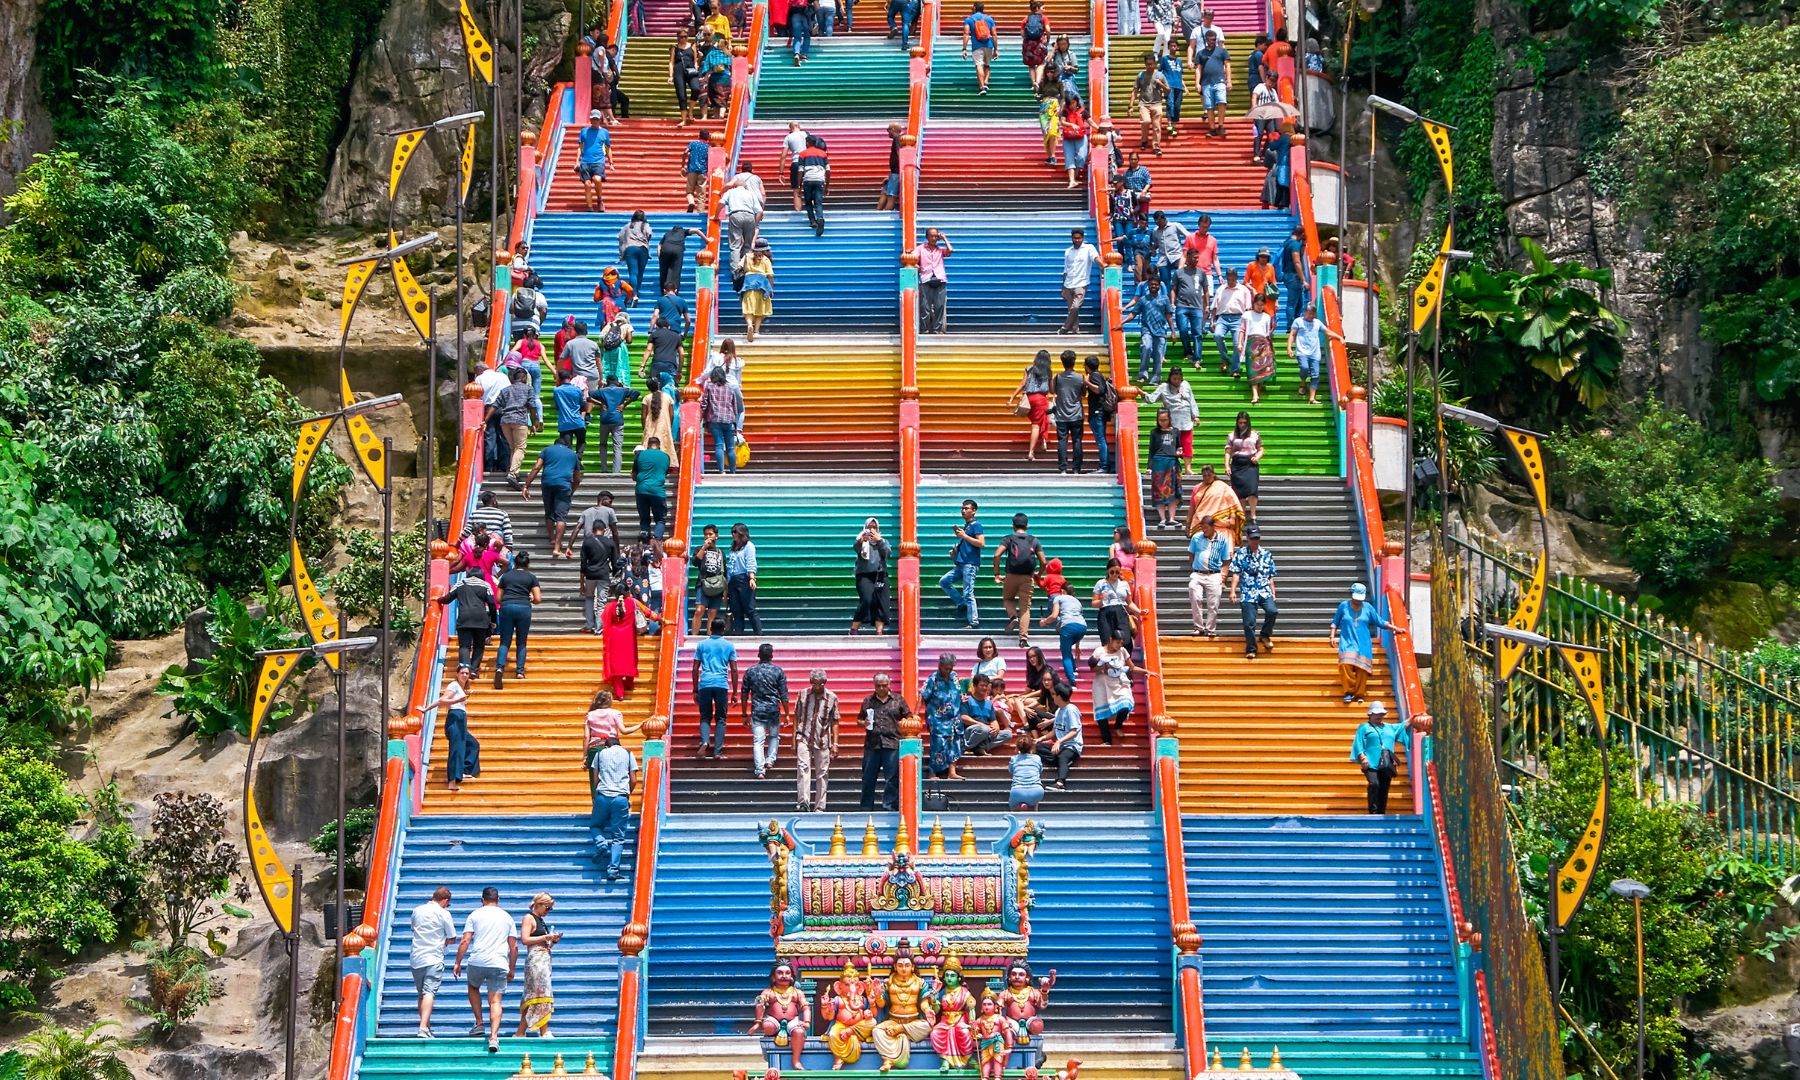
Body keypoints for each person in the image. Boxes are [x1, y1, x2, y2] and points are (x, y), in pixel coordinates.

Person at [453, 887, 517, 1053]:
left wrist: (457, 962)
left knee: (473, 987)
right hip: (499, 962)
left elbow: (465, 940)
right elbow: (514, 946)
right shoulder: (507, 917)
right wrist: (512, 968)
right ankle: (494, 1037)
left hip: (478, 960)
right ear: (498, 900)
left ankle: (479, 1023)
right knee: (496, 1001)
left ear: (482, 900)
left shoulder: (475, 915)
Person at [1332, 582, 1395, 704]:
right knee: (1345, 664)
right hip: (1347, 642)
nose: (1357, 601)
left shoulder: (1368, 607)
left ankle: (1360, 693)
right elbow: (1335, 622)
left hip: (1363, 644)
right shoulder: (1343, 606)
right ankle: (1348, 691)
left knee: (1362, 669)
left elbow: (1380, 621)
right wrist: (1332, 636)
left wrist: (1394, 628)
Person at [521, 436, 583, 557]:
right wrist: (571, 490)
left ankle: (552, 538)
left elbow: (537, 467)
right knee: (561, 517)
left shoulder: (546, 450)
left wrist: (526, 486)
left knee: (549, 512)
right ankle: (557, 548)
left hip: (547, 483)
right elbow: (577, 478)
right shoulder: (573, 455)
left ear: (554, 444)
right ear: (566, 445)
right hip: (564, 485)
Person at [858, 673, 910, 810]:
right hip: (872, 744)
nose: (881, 688)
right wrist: (864, 723)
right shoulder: (868, 701)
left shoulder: (898, 700)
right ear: (874, 686)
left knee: (891, 779)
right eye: (878, 686)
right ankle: (866, 807)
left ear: (889, 685)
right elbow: (859, 719)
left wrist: (903, 723)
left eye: (884, 685)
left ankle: (890, 806)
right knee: (868, 778)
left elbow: (908, 717)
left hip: (892, 743)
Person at [409, 886, 456, 1037]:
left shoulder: (417, 910)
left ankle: (426, 1027)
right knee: (429, 992)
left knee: (421, 994)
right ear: (445, 901)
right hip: (434, 957)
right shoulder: (444, 913)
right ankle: (423, 1027)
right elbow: (452, 937)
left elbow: (413, 928)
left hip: (416, 957)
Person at [993, 513, 1045, 646]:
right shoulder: (1034, 540)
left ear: (1013, 525)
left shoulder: (1008, 539)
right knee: (1025, 608)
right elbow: (1043, 561)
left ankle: (1013, 617)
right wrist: (1038, 574)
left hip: (1011, 575)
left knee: (1008, 599)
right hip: (1028, 577)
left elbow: (997, 555)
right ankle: (1023, 639)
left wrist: (997, 574)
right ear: (1027, 525)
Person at [591, 735, 639, 879]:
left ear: (606, 746)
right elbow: (634, 779)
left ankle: (601, 843)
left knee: (595, 826)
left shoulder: (600, 754)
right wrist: (626, 793)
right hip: (621, 798)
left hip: (603, 796)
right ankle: (613, 870)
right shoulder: (629, 753)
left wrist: (596, 795)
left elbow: (595, 778)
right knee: (618, 836)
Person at [424, 667, 479, 792]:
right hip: (454, 718)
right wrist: (457, 700)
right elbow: (443, 700)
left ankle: (463, 771)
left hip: (461, 720)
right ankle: (452, 781)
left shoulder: (461, 688)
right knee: (456, 750)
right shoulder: (454, 685)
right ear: (457, 674)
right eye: (462, 673)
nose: (464, 675)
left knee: (473, 744)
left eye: (467, 673)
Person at [492, 552, 542, 689]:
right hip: (523, 608)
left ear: (514, 563)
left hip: (507, 607)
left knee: (504, 641)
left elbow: (498, 598)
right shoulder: (531, 577)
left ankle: (499, 668)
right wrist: (529, 598)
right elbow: (538, 598)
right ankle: (520, 671)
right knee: (521, 642)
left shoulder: (506, 577)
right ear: (528, 564)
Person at [1227, 523, 1277, 659]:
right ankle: (1251, 649)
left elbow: (1270, 574)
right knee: (1249, 623)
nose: (1255, 541)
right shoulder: (1241, 554)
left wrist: (1273, 591)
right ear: (1247, 538)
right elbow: (1236, 574)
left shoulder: (1266, 554)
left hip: (1264, 590)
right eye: (1252, 538)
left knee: (1272, 611)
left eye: (1257, 538)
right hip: (1248, 592)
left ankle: (1265, 635)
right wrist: (1232, 591)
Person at [515, 894, 562, 1037]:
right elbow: (524, 939)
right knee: (538, 993)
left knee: (539, 993)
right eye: (547, 908)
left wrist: (552, 941)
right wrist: (545, 937)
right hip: (535, 961)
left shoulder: (541, 921)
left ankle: (521, 1032)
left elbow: (542, 942)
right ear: (539, 904)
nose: (548, 911)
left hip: (544, 959)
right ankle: (543, 1030)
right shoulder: (529, 918)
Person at [1088, 629, 1146, 744]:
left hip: (1119, 682)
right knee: (1101, 711)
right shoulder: (1099, 651)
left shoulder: (1123, 651)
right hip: (1102, 684)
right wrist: (1103, 666)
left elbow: (1132, 667)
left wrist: (1146, 671)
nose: (1119, 645)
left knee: (1126, 704)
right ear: (1111, 640)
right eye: (1117, 642)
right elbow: (1093, 668)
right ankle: (1106, 740)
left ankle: (1118, 726)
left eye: (1121, 643)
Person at [741, 642, 791, 779]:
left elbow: (744, 694)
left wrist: (744, 714)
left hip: (757, 710)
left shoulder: (751, 671)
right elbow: (784, 695)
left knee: (758, 741)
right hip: (774, 709)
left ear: (758, 655)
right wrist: (787, 714)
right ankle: (770, 760)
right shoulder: (778, 671)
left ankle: (759, 769)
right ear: (771, 656)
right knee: (774, 736)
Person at [794, 669, 840, 811]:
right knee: (803, 768)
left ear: (825, 683)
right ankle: (803, 802)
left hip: (823, 739)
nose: (817, 687)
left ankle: (820, 806)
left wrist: (836, 743)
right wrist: (793, 739)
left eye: (820, 684)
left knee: (822, 773)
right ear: (811, 682)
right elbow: (796, 716)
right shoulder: (803, 695)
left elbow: (835, 721)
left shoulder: (832, 698)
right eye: (815, 684)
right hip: (803, 736)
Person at [692, 618, 738, 757]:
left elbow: (695, 668)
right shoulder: (729, 646)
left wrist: (695, 689)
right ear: (723, 629)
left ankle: (705, 741)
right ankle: (717, 751)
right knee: (721, 718)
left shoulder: (701, 645)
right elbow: (734, 670)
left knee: (705, 716)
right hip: (721, 684)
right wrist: (735, 692)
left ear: (710, 628)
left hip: (705, 684)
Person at [1350, 700, 1406, 813]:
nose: (1379, 716)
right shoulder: (1364, 727)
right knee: (1374, 784)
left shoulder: (1389, 727)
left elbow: (1403, 726)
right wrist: (1362, 757)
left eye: (1381, 714)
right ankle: (1373, 811)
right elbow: (1358, 742)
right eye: (1376, 714)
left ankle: (1381, 812)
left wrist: (1413, 719)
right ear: (1370, 715)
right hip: (1370, 762)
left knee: (1384, 787)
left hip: (1386, 763)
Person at [939, 498, 985, 629]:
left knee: (968, 593)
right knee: (944, 581)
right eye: (962, 508)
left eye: (966, 508)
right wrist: (955, 554)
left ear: (974, 511)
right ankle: (961, 603)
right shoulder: (967, 526)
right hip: (961, 564)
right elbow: (968, 547)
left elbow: (981, 543)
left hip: (970, 564)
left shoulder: (976, 525)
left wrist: (964, 536)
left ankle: (973, 622)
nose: (963, 511)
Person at [438, 572, 496, 676]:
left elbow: (447, 599)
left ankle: (465, 668)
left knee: (464, 646)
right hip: (481, 619)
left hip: (464, 619)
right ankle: (473, 669)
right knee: (479, 646)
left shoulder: (461, 583)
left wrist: (437, 599)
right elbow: (492, 604)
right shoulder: (485, 585)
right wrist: (493, 621)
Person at [1143, 366, 1198, 473]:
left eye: (1179, 379)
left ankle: (1188, 469)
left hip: (1186, 421)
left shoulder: (1186, 385)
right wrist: (1142, 394)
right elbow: (1152, 399)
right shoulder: (1163, 387)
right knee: (1172, 446)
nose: (1177, 381)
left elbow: (1192, 401)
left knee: (1187, 445)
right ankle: (1172, 468)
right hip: (1172, 423)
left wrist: (1195, 416)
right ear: (1170, 378)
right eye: (1174, 379)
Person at [920, 652, 965, 780]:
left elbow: (957, 693)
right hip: (937, 719)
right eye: (946, 668)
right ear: (940, 665)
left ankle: (952, 771)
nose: (949, 670)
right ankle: (933, 772)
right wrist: (915, 714)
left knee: (955, 744)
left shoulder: (954, 676)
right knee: (938, 745)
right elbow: (923, 696)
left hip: (955, 717)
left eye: (951, 668)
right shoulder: (932, 679)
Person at [1187, 513, 1232, 636]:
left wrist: (1223, 577)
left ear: (1213, 527)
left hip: (1214, 574)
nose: (1204, 530)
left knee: (1213, 603)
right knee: (1195, 597)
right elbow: (1191, 553)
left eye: (1206, 528)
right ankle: (1198, 627)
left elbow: (1226, 560)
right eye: (1202, 528)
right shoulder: (1196, 538)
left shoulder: (1222, 540)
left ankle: (1210, 629)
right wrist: (1194, 566)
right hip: (1198, 573)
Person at [1007, 350, 1054, 463]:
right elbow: (1051, 389)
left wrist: (1011, 398)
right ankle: (1031, 452)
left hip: (1029, 399)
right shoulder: (1048, 371)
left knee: (1041, 419)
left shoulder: (1029, 369)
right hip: (1041, 399)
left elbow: (1022, 384)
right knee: (1037, 425)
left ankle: (1043, 442)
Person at [1123, 274, 1171, 384]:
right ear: (1148, 286)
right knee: (1146, 347)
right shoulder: (1143, 300)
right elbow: (1133, 314)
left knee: (1159, 354)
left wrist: (1172, 331)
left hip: (1160, 331)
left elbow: (1169, 315)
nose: (1153, 286)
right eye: (1151, 284)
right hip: (1146, 330)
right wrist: (1122, 322)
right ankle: (1143, 374)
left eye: (1156, 284)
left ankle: (1155, 378)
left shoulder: (1165, 299)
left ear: (1159, 286)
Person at [1038, 577, 1087, 684]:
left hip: (1068, 626)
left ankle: (1072, 681)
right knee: (1066, 647)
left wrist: (1044, 622)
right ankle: (1074, 669)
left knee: (1065, 654)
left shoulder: (1059, 598)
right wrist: (1077, 647)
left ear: (1062, 591)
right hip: (1082, 627)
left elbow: (1054, 615)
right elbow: (1078, 619)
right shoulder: (1077, 601)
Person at [588, 376, 641, 475]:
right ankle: (616, 472)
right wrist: (624, 404)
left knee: (603, 445)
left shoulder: (602, 391)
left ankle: (604, 469)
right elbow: (636, 393)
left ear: (607, 382)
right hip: (617, 420)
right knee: (617, 447)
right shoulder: (622, 390)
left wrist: (600, 403)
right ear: (617, 382)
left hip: (605, 419)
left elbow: (589, 395)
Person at [1288, 301, 1338, 405]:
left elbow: (1327, 332)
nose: (1311, 315)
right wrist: (1289, 348)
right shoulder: (1298, 321)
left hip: (1315, 353)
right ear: (1305, 312)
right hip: (1302, 351)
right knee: (1304, 368)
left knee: (1315, 375)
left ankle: (1312, 398)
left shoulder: (1317, 323)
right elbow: (1292, 335)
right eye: (1309, 313)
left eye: (1313, 313)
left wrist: (1339, 337)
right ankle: (1302, 383)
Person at [851, 517, 893, 635]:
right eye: (869, 527)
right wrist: (861, 540)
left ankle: (879, 632)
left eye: (874, 527)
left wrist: (879, 541)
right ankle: (854, 629)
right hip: (864, 576)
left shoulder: (883, 541)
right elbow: (856, 548)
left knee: (882, 603)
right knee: (866, 600)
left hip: (880, 576)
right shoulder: (860, 540)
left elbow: (887, 554)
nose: (872, 530)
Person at [1092, 557, 1142, 655]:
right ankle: (1110, 666)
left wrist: (1139, 611)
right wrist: (1101, 600)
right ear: (1108, 571)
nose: (1115, 574)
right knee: (1107, 642)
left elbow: (1129, 603)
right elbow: (1093, 603)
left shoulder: (1124, 584)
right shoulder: (1101, 583)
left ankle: (1125, 664)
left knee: (1126, 641)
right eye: (1112, 572)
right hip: (1105, 613)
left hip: (1121, 612)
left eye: (1117, 572)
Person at [1167, 248, 1208, 365]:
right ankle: (1188, 352)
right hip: (1182, 306)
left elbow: (1205, 290)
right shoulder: (1179, 273)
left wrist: (1207, 306)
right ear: (1188, 258)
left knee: (1197, 332)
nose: (1197, 260)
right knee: (1183, 329)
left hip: (1197, 307)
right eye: (1194, 258)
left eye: (1197, 258)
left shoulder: (1201, 273)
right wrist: (1172, 302)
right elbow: (1173, 289)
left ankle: (1197, 358)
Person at [1038, 680, 1082, 789]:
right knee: (1037, 747)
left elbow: (1074, 731)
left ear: (1060, 696)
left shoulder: (1071, 710)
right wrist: (1040, 739)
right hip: (1060, 746)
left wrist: (1059, 741)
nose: (1053, 697)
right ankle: (1061, 763)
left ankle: (1060, 783)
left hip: (1072, 746)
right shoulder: (1058, 711)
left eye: (1054, 694)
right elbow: (1054, 731)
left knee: (1063, 756)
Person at [1211, 266, 1253, 377]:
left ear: (1236, 277)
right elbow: (1215, 306)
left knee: (1237, 344)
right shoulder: (1221, 289)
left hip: (1239, 318)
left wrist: (1247, 324)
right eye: (1228, 279)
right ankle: (1225, 358)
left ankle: (1235, 370)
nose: (1230, 281)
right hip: (1223, 317)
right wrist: (1211, 321)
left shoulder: (1244, 290)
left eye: (1232, 279)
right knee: (1218, 335)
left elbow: (1248, 308)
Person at [1187, 462, 1244, 543]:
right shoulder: (1197, 488)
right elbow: (1192, 507)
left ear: (1213, 474)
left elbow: (1233, 504)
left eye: (1209, 475)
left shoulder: (1223, 487)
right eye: (1204, 476)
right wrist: (1188, 523)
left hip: (1221, 524)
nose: (1207, 477)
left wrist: (1232, 518)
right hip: (1201, 524)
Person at [701, 367, 743, 475]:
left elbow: (705, 403)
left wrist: (701, 416)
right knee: (730, 447)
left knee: (719, 445)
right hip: (729, 420)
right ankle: (733, 471)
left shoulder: (710, 387)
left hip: (714, 419)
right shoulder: (730, 387)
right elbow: (734, 406)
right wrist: (735, 422)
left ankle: (721, 470)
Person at [959, 673, 1013, 756]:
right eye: (982, 685)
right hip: (971, 732)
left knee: (1008, 734)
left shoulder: (988, 704)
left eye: (986, 686)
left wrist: (996, 728)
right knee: (984, 729)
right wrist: (980, 724)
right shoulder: (967, 700)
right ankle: (965, 747)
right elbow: (963, 717)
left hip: (985, 731)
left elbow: (993, 720)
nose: (984, 688)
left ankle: (979, 747)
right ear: (974, 686)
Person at [1191, 27, 1231, 138]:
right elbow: (1198, 69)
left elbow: (1227, 66)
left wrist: (1229, 81)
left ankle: (1221, 125)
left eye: (1214, 39)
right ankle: (1212, 128)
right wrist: (1197, 83)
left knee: (1222, 102)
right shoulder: (1200, 53)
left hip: (1220, 81)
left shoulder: (1222, 51)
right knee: (1209, 107)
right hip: (1206, 83)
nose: (1212, 42)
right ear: (1206, 40)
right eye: (1210, 40)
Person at [1050, 351, 1086, 473]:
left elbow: (1052, 391)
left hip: (1061, 415)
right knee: (1077, 441)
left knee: (1062, 441)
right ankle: (1076, 468)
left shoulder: (1058, 377)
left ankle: (1063, 468)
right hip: (1076, 414)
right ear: (1074, 361)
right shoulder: (1080, 377)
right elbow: (1083, 393)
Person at [601, 587, 640, 699]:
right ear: (627, 593)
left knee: (616, 665)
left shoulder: (610, 606)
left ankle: (619, 694)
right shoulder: (633, 602)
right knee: (629, 662)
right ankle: (629, 684)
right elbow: (648, 612)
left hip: (614, 639)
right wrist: (661, 619)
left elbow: (603, 618)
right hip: (629, 638)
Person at [630, 437, 671, 541]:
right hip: (658, 491)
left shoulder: (640, 456)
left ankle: (644, 538)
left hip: (641, 490)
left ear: (647, 445)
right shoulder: (666, 457)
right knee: (660, 520)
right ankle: (656, 539)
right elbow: (665, 473)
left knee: (644, 518)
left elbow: (634, 476)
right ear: (659, 445)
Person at [1225, 411, 1264, 519]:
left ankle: (1253, 515)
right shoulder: (1232, 435)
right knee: (1240, 492)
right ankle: (1242, 515)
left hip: (1250, 464)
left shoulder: (1255, 434)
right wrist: (1227, 466)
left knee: (1252, 489)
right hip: (1237, 464)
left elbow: (1261, 449)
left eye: (1244, 423)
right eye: (1240, 423)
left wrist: (1257, 457)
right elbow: (1228, 452)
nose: (1242, 425)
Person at [1148, 410, 1183, 529]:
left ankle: (1172, 518)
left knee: (1173, 490)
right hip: (1158, 462)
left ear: (1170, 419)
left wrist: (1179, 451)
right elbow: (1151, 450)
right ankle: (1162, 518)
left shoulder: (1176, 431)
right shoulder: (1154, 433)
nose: (1162, 422)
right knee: (1159, 491)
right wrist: (1149, 467)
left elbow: (1179, 445)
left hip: (1172, 462)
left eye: (1165, 420)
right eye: (1160, 420)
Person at [914, 228, 953, 333]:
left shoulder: (940, 250)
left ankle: (938, 331)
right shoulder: (920, 249)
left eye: (936, 236)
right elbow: (910, 258)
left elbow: (950, 251)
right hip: (926, 280)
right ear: (927, 237)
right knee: (925, 308)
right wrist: (916, 265)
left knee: (939, 307)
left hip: (940, 280)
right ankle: (924, 330)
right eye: (931, 236)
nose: (934, 238)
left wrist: (944, 238)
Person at [692, 523, 728, 635]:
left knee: (712, 612)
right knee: (699, 610)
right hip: (703, 584)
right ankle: (694, 636)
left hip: (717, 585)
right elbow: (695, 562)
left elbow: (724, 572)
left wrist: (725, 591)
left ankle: (710, 636)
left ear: (716, 536)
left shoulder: (721, 552)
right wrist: (704, 548)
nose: (708, 536)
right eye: (705, 534)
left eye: (710, 534)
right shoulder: (699, 549)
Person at [1082, 354, 1116, 474]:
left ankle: (1104, 466)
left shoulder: (1094, 375)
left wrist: (1087, 382)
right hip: (1100, 412)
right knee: (1101, 439)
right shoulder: (1099, 375)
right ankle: (1105, 464)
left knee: (1101, 439)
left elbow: (1099, 390)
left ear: (1087, 367)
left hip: (1098, 412)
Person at [1131, 51, 1169, 155]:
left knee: (1157, 126)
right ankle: (1144, 139)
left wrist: (1161, 84)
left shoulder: (1160, 75)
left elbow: (1168, 90)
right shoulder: (1141, 75)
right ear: (1145, 64)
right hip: (1144, 104)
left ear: (1155, 63)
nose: (1150, 66)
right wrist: (1131, 105)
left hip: (1157, 104)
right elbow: (1135, 90)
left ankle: (1156, 146)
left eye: (1152, 64)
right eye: (1148, 64)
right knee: (1146, 121)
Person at [726, 522, 761, 632]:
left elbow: (750, 561)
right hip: (733, 580)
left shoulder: (749, 546)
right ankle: (739, 634)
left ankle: (758, 633)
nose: (733, 534)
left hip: (744, 579)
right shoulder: (734, 548)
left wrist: (751, 577)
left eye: (735, 532)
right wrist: (727, 584)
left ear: (742, 533)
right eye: (732, 532)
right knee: (736, 610)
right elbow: (730, 566)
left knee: (750, 608)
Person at [737, 238, 774, 342]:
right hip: (762, 285)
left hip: (748, 284)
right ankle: (756, 331)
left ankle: (749, 326)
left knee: (748, 307)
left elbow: (738, 267)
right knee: (760, 309)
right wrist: (770, 289)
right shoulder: (766, 259)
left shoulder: (747, 256)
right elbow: (770, 276)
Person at [1240, 296, 1276, 401]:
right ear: (1253, 304)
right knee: (1252, 369)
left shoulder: (1266, 317)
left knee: (1264, 367)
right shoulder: (1247, 315)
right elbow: (1242, 329)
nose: (1259, 307)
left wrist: (1270, 346)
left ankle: (1259, 387)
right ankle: (1255, 394)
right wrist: (1239, 343)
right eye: (1257, 304)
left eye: (1262, 305)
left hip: (1263, 343)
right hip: (1251, 344)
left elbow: (1268, 333)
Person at [576, 109, 612, 211]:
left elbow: (608, 148)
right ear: (590, 120)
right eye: (593, 119)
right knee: (587, 184)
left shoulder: (604, 132)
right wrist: (576, 161)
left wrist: (611, 162)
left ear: (600, 119)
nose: (595, 121)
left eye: (597, 119)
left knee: (597, 179)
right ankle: (590, 207)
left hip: (598, 161)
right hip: (585, 161)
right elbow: (580, 147)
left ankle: (600, 199)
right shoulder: (584, 131)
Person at [962, 2, 999, 94]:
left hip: (976, 46)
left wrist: (964, 48)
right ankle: (986, 82)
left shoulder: (969, 19)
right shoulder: (989, 19)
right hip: (989, 45)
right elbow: (994, 34)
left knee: (979, 65)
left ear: (974, 8)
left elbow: (966, 34)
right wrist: (996, 48)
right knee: (987, 65)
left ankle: (982, 87)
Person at [797, 136, 830, 235]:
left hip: (808, 180)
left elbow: (800, 171)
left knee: (808, 202)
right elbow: (828, 170)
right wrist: (827, 185)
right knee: (818, 202)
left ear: (807, 142)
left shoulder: (803, 154)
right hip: (820, 180)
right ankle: (820, 218)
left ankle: (812, 221)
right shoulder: (823, 154)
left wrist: (799, 186)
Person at [1279, 223, 1310, 327]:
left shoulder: (1288, 242)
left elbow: (1299, 254)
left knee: (1299, 303)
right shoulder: (1295, 244)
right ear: (1301, 234)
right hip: (1294, 276)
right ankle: (1291, 325)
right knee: (1293, 303)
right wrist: (1303, 280)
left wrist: (1304, 244)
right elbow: (1297, 262)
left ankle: (1295, 324)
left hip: (1287, 274)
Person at [1058, 94, 1089, 192]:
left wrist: (1100, 128)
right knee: (1069, 157)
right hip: (1068, 137)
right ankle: (1072, 180)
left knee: (1082, 156)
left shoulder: (1083, 111)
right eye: (1070, 103)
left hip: (1081, 136)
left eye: (1073, 103)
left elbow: (1090, 121)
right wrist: (1072, 124)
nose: (1072, 105)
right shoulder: (1065, 112)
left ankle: (1074, 178)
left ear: (1077, 102)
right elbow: (1062, 122)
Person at [1008, 735, 1046, 810]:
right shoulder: (1037, 758)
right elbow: (1040, 770)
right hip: (1037, 790)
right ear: (1032, 747)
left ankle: (1020, 807)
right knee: (1035, 801)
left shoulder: (1014, 759)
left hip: (1018, 790)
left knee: (1013, 807)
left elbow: (1011, 771)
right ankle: (1034, 810)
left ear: (1018, 747)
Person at [671, 33, 701, 125]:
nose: (683, 38)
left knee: (696, 88)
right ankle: (683, 119)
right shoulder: (674, 48)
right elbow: (671, 62)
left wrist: (696, 69)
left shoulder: (692, 46)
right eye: (681, 37)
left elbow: (695, 60)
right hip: (678, 70)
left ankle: (690, 110)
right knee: (681, 95)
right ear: (678, 37)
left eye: (685, 36)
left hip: (691, 69)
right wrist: (670, 76)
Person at [1158, 36, 1186, 134]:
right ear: (1168, 47)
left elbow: (1180, 75)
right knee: (1170, 103)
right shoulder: (1164, 59)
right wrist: (1161, 85)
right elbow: (1159, 72)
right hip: (1169, 86)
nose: (1173, 48)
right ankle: (1169, 123)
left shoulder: (1180, 61)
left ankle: (1174, 125)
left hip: (1178, 86)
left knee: (1177, 106)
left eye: (1175, 46)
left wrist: (1184, 86)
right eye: (1171, 46)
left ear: (1177, 47)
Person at [1020, 0, 1051, 84]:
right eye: (1043, 8)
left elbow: (1022, 33)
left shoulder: (1026, 18)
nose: (1044, 10)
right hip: (1039, 43)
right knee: (1041, 63)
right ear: (1037, 8)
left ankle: (1033, 81)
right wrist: (1047, 39)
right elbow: (1048, 30)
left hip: (1028, 44)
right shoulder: (1043, 18)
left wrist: (1027, 39)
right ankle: (1037, 82)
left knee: (1031, 65)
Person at [1035, 70, 1062, 165]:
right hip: (1044, 108)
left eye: (1052, 71)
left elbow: (1063, 97)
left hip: (1055, 106)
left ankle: (1053, 156)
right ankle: (1049, 156)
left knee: (1053, 132)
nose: (1050, 73)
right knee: (1046, 133)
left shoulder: (1059, 82)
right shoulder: (1043, 83)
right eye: (1048, 71)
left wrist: (1060, 108)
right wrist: (1037, 95)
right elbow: (1039, 95)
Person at [1245, 247, 1279, 321]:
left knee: (1269, 320)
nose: (1263, 258)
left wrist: (1276, 302)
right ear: (1258, 256)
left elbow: (1274, 284)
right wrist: (1252, 289)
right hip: (1257, 298)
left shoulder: (1271, 267)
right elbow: (1245, 282)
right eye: (1261, 256)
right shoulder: (1252, 265)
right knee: (1256, 319)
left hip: (1269, 298)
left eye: (1266, 256)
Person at [878, 122, 902, 211]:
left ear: (893, 130)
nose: (887, 132)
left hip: (896, 173)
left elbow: (899, 153)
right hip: (894, 173)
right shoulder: (897, 139)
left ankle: (886, 212)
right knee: (884, 192)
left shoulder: (897, 139)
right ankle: (878, 211)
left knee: (891, 195)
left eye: (888, 130)